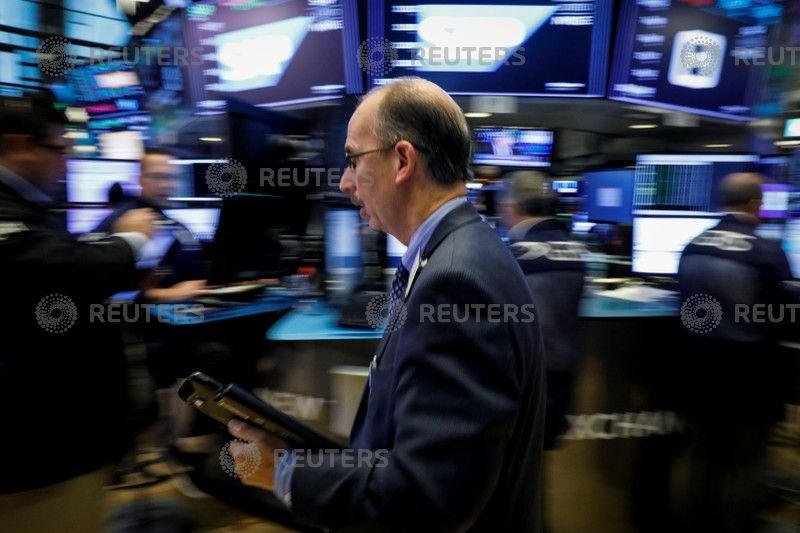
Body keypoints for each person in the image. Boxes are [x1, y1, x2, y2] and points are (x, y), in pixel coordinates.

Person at [227, 77, 547, 531]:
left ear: (401, 161)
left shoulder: (455, 281)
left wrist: (283, 472)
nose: (345, 182)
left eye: (353, 159)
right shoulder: (457, 252)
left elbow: (428, 499)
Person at [0, 96, 155, 531]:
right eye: (60, 149)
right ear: (19, 145)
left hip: (56, 443)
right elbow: (56, 270)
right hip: (35, 449)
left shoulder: (28, 209)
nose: (67, 163)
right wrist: (130, 242)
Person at [677, 172, 799, 532]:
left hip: (697, 375)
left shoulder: (693, 245)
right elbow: (787, 317)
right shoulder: (766, 252)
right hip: (748, 380)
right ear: (755, 205)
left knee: (702, 461)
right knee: (745, 464)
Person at [500, 171, 586, 448]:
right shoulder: (576, 253)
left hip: (518, 388)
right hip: (560, 385)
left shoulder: (511, 256)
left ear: (511, 207)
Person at [95, 148, 208, 302]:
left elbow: (195, 273)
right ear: (140, 180)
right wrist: (160, 295)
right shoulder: (120, 222)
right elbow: (102, 290)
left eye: (172, 177)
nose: (166, 185)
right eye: (158, 176)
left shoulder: (177, 227)